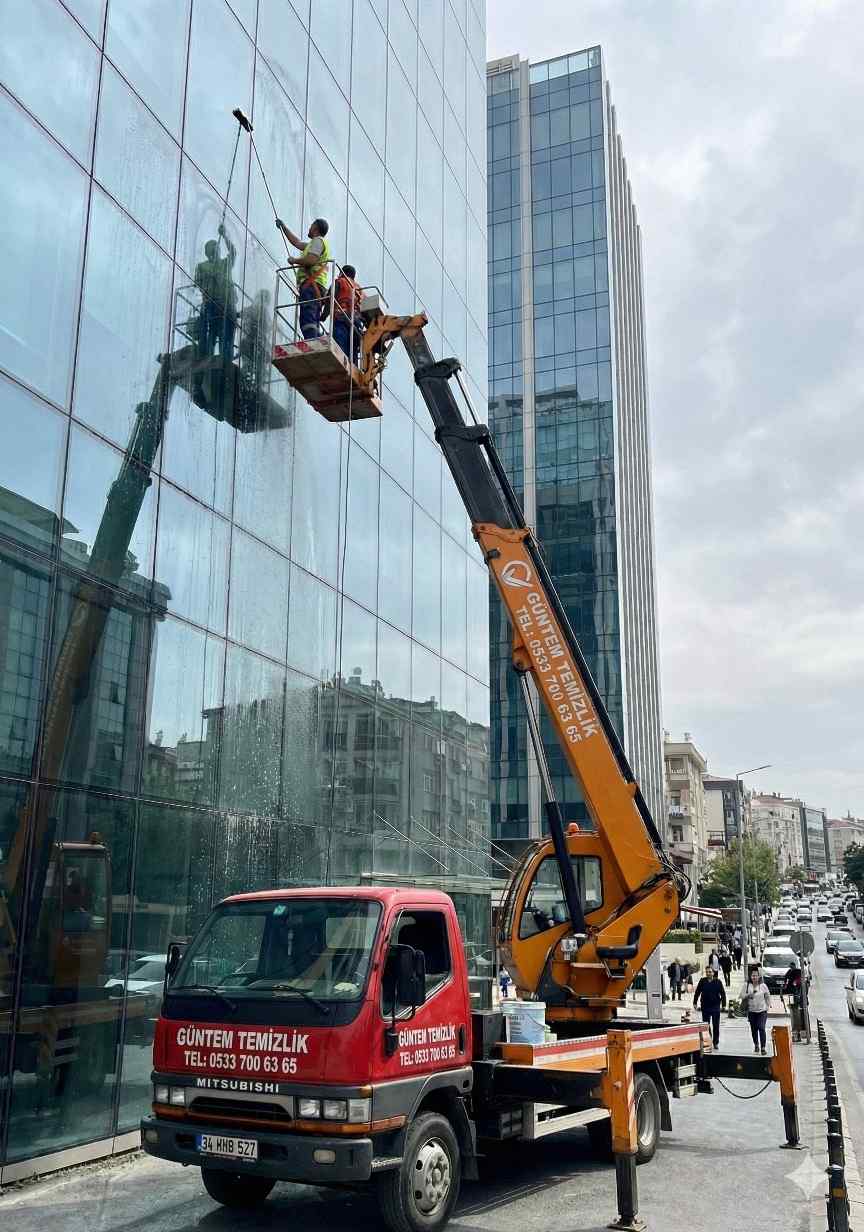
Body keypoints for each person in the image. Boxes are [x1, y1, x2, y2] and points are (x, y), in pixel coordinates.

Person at [275, 216, 330, 339]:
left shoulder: (318, 241)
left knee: (308, 318)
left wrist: (295, 260)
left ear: (315, 227)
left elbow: (311, 260)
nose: (309, 228)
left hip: (311, 286)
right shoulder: (314, 244)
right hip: (314, 287)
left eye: (311, 225)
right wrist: (284, 227)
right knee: (311, 318)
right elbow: (297, 242)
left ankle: (312, 342)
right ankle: (316, 340)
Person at [194, 224, 238, 359]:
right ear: (208, 252)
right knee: (210, 334)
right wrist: (211, 277)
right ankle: (207, 358)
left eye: (216, 248)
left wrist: (224, 235)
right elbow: (198, 282)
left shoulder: (225, 264)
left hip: (227, 304)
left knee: (227, 336)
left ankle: (225, 360)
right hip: (211, 304)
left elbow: (233, 252)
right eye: (212, 249)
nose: (215, 250)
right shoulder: (202, 266)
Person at [327, 263, 364, 364]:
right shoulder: (360, 290)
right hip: (356, 324)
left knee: (340, 348)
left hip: (341, 318)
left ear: (341, 273)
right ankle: (353, 367)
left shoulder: (340, 282)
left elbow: (328, 300)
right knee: (352, 351)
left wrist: (322, 316)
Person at [238, 288, 272, 392]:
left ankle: (245, 383)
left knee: (247, 365)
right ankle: (257, 388)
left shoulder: (248, 309)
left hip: (246, 342)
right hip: (259, 344)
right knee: (260, 369)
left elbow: (239, 314)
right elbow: (267, 326)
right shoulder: (265, 312)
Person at [693, 964, 726, 1048]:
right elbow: (697, 992)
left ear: (713, 973)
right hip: (705, 1007)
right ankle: (709, 1039)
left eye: (710, 972)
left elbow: (723, 994)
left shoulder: (718, 982)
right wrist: (695, 1002)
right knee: (706, 1025)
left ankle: (716, 1042)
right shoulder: (702, 981)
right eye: (707, 972)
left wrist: (724, 1005)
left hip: (715, 1007)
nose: (708, 973)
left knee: (716, 1026)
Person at [742, 966, 772, 1054]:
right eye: (753, 976)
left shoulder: (763, 986)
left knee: (761, 1027)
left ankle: (763, 1047)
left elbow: (767, 996)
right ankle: (756, 1044)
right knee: (754, 1029)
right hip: (751, 1011)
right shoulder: (747, 985)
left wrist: (767, 1006)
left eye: (756, 976)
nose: (754, 977)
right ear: (750, 977)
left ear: (759, 977)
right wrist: (748, 995)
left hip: (762, 1011)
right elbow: (742, 996)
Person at [782, 956, 805, 1041]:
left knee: (797, 1018)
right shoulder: (791, 973)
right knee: (795, 1018)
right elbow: (786, 982)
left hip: (797, 1001)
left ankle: (798, 1035)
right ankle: (797, 1035)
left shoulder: (798, 974)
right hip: (795, 1000)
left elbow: (790, 983)